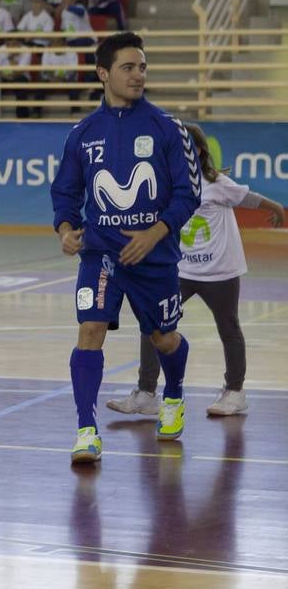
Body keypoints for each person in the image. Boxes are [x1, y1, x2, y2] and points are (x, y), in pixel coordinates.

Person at [49, 32, 200, 464]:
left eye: (143, 67)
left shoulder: (167, 128)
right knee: (90, 331)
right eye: (128, 67)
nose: (138, 75)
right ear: (103, 73)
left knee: (164, 338)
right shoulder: (82, 134)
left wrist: (155, 233)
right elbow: (65, 192)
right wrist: (65, 229)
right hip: (100, 255)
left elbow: (188, 193)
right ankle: (86, 431)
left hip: (154, 257)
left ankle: (172, 394)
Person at [112, 123, 285, 418]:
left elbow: (250, 198)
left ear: (199, 151)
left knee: (228, 328)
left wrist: (277, 208)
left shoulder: (217, 183)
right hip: (182, 271)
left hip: (220, 271)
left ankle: (235, 392)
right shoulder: (167, 184)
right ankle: (147, 393)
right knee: (153, 324)